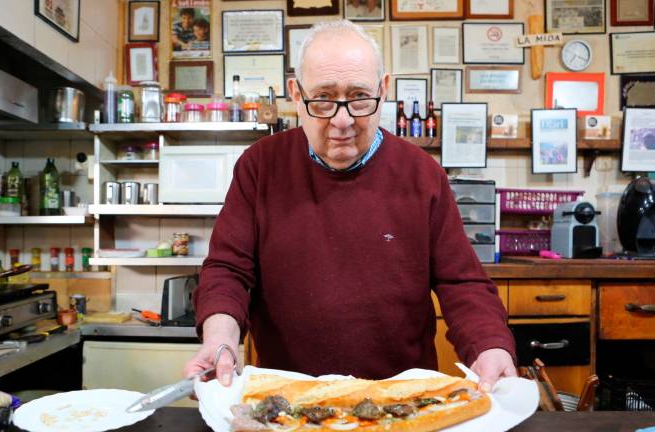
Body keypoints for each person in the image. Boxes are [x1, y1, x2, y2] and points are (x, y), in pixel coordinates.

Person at [184, 20, 516, 393]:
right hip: (287, 403)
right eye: (323, 99)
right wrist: (219, 340)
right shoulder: (260, 166)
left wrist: (490, 346)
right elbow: (228, 270)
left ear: (383, 89)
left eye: (359, 97)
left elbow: (462, 281)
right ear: (296, 94)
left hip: (401, 403)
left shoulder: (423, 173)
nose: (342, 121)